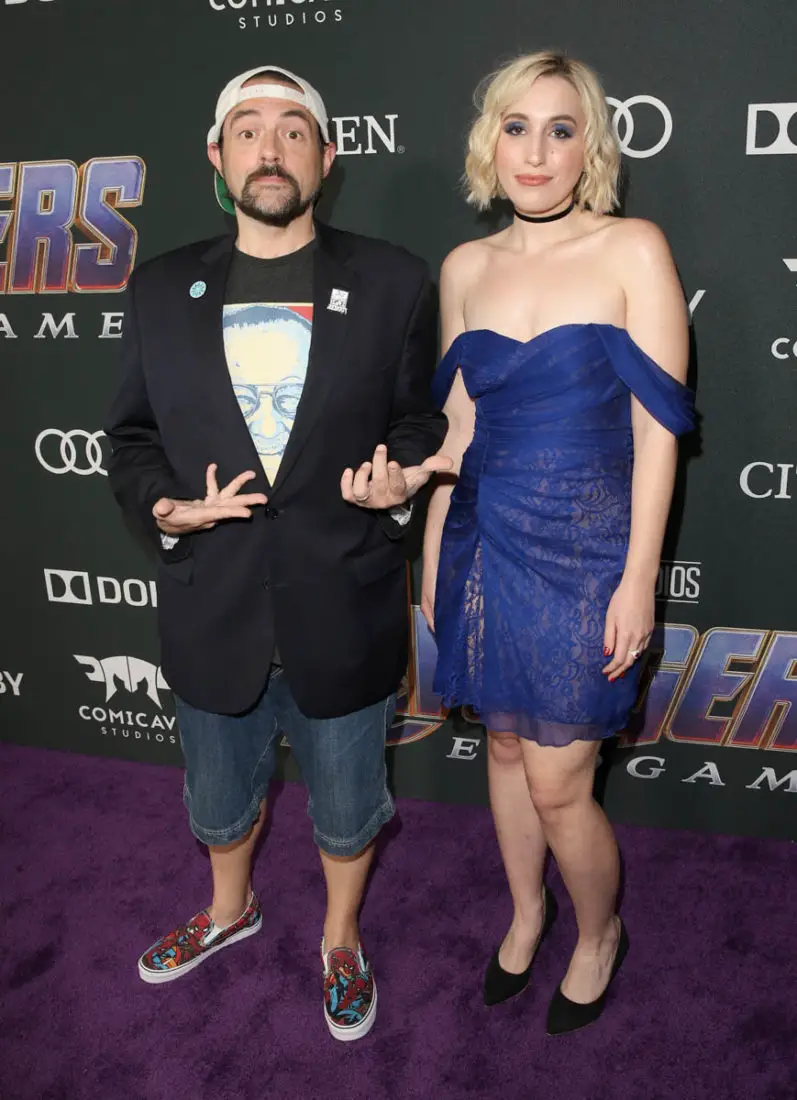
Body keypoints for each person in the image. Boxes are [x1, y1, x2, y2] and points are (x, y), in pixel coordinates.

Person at [105, 65, 449, 1042]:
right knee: (218, 802)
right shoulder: (159, 286)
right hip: (211, 603)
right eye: (248, 129)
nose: (270, 147)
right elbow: (130, 436)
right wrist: (165, 506)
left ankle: (340, 936)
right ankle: (229, 908)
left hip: (343, 601)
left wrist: (398, 480)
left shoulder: (392, 280)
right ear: (216, 157)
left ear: (326, 157)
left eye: (293, 130)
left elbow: (416, 419)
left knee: (347, 808)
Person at [422, 51, 694, 1035]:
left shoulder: (632, 250)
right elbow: (456, 429)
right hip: (483, 542)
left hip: (588, 552)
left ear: (590, 149)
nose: (534, 151)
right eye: (515, 127)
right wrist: (430, 555)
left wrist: (637, 580)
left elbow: (657, 431)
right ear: (488, 142)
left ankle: (597, 931)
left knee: (557, 777)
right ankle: (526, 912)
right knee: (501, 745)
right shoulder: (464, 268)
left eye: (560, 129)